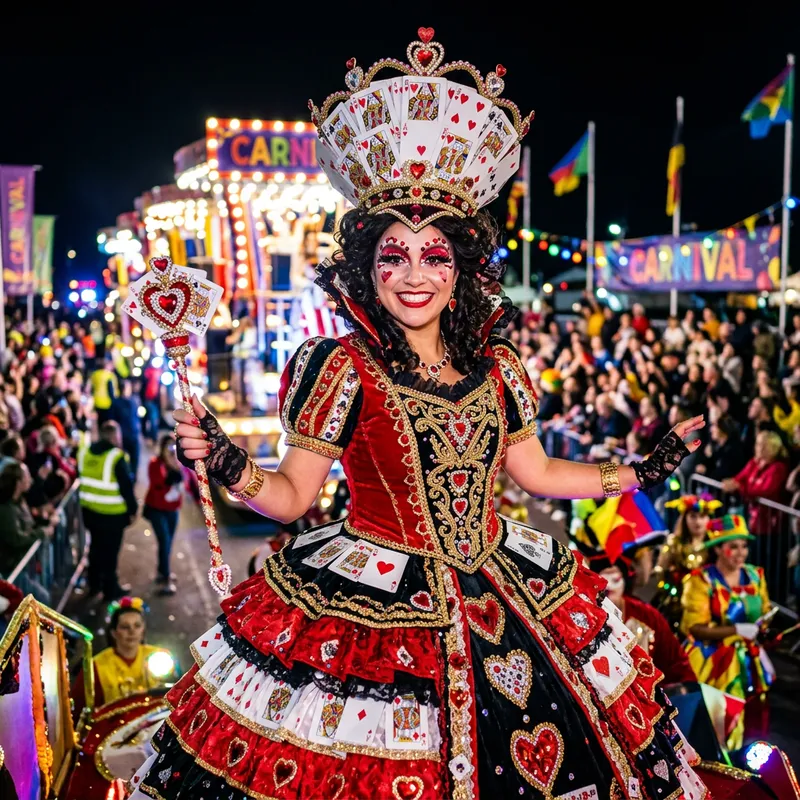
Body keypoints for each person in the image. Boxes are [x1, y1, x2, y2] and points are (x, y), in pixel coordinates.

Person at [130, 32, 709, 800]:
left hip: (507, 583)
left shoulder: (500, 367)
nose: (414, 276)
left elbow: (535, 473)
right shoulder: (341, 366)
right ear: (365, 268)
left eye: (435, 255)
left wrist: (639, 471)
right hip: (376, 604)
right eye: (392, 256)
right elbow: (293, 498)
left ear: (462, 268)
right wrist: (231, 463)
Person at [681, 514, 774, 750]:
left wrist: (762, 628)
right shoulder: (701, 581)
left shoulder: (755, 576)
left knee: (752, 714)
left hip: (749, 659)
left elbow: (763, 610)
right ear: (719, 550)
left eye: (744, 546)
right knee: (717, 718)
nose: (741, 552)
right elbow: (694, 628)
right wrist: (735, 630)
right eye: (733, 546)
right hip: (713, 662)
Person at [71, 596, 175, 712]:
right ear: (114, 633)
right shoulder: (96, 667)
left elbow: (177, 695)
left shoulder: (160, 657)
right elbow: (78, 710)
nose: (132, 631)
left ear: (143, 630)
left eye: (137, 626)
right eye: (125, 627)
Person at [78, 421, 138, 600]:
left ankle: (94, 584)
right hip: (112, 516)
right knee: (110, 554)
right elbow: (126, 487)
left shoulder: (84, 452)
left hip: (89, 513)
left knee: (95, 549)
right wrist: (133, 510)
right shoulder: (116, 456)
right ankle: (110, 591)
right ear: (114, 436)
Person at [653, 494, 721, 629]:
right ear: (684, 519)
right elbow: (661, 569)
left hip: (707, 600)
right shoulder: (674, 542)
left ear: (709, 518)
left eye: (702, 516)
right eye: (693, 516)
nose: (698, 522)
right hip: (676, 600)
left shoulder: (716, 545)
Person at [143, 434, 184, 594]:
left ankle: (162, 571)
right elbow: (157, 485)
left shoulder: (177, 462)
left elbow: (182, 482)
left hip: (172, 508)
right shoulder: (155, 464)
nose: (171, 450)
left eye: (173, 447)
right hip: (157, 508)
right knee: (164, 541)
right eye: (167, 447)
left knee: (168, 542)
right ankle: (166, 578)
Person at [89, 355, 118, 425]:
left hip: (97, 401)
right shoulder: (110, 375)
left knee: (100, 422)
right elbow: (112, 390)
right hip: (107, 402)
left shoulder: (94, 374)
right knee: (107, 423)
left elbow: (90, 388)